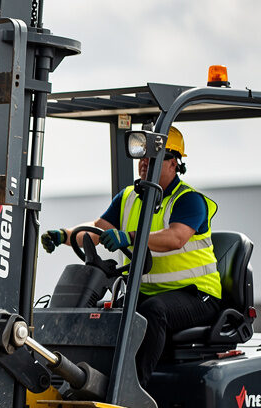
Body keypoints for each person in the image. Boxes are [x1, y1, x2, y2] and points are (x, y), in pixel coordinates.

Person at [40, 126, 221, 386]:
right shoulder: (128, 197)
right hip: (147, 291)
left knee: (151, 312)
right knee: (104, 313)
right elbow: (99, 229)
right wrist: (64, 235)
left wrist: (130, 237)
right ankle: (86, 382)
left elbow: (175, 238)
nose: (145, 163)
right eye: (143, 158)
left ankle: (132, 390)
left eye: (154, 158)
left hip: (197, 295)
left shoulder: (189, 200)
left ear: (173, 163)